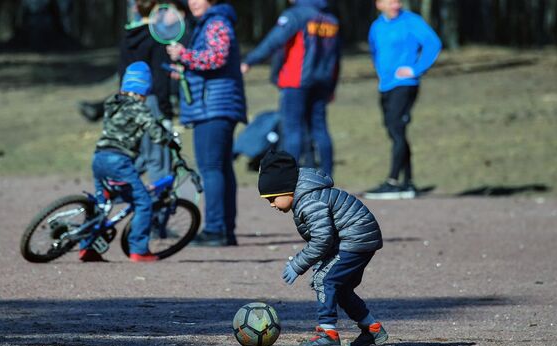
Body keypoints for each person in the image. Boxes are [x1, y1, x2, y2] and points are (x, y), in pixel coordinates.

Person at [258, 150, 387, 346]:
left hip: (355, 239)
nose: (272, 204)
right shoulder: (306, 197)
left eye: (272, 198)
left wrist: (297, 264)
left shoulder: (309, 202)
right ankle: (372, 329)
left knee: (325, 280)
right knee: (340, 288)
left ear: (286, 189)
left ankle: (327, 334)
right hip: (358, 238)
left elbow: (321, 239)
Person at [80, 61, 181, 263]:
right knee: (144, 202)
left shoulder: (112, 103)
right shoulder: (139, 109)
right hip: (119, 161)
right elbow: (154, 131)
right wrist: (170, 140)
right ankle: (139, 249)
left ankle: (87, 247)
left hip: (99, 157)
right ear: (145, 88)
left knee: (102, 203)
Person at [166, 0, 246, 247]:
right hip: (217, 106)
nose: (192, 2)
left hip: (214, 109)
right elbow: (212, 63)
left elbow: (217, 57)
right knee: (221, 169)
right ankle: (225, 229)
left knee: (211, 169)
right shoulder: (214, 22)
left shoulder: (216, 22)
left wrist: (184, 55)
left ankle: (215, 229)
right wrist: (185, 71)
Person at [241, 0, 340, 177]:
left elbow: (274, 40)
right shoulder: (331, 19)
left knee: (291, 129)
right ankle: (327, 175)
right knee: (320, 129)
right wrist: (332, 86)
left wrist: (249, 60)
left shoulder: (296, 14)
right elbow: (335, 57)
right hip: (322, 83)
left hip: (296, 80)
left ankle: (290, 177)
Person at [363, 0, 442, 200]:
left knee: (397, 128)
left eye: (397, 1)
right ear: (379, 4)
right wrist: (380, 72)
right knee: (394, 130)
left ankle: (393, 181)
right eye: (390, 1)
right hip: (386, 86)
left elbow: (433, 44)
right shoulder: (376, 26)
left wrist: (416, 69)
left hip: (405, 85)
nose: (395, 5)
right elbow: (375, 51)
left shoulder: (412, 21)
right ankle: (407, 183)